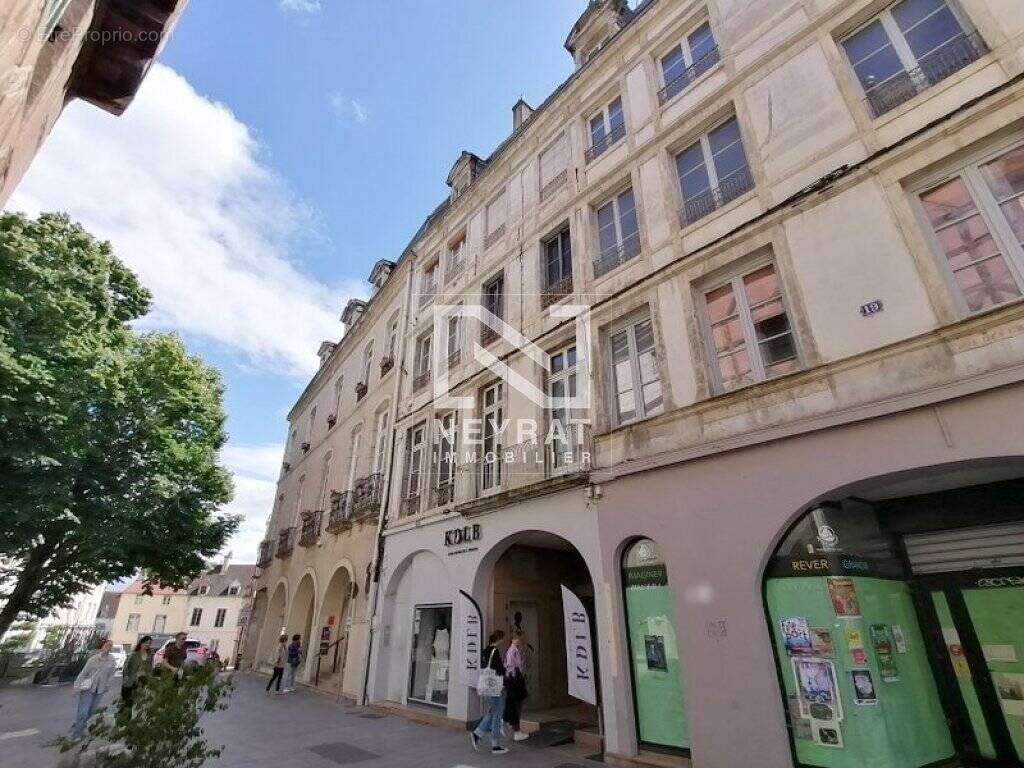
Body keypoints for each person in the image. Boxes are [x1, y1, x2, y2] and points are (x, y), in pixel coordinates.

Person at [470, 630, 508, 755]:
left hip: (486, 685)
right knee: (497, 713)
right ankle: (495, 745)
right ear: (498, 638)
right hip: (494, 685)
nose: (502, 641)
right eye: (502, 638)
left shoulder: (484, 651)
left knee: (493, 711)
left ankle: (477, 733)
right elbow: (499, 668)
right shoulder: (495, 651)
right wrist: (505, 680)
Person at [71, 639, 118, 740]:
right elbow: (83, 673)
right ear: (102, 647)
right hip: (88, 689)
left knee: (91, 712)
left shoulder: (112, 660)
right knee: (83, 712)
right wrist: (76, 687)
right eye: (107, 645)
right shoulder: (93, 659)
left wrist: (107, 685)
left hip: (99, 690)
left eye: (110, 646)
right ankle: (76, 734)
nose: (108, 648)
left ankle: (81, 729)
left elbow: (111, 674)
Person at [503, 632, 529, 742]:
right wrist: (514, 675)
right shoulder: (512, 651)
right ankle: (515, 730)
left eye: (519, 639)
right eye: (516, 639)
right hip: (515, 680)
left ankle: (513, 727)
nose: (518, 641)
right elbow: (509, 665)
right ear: (512, 640)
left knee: (515, 705)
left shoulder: (515, 650)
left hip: (515, 679)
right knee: (516, 705)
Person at [120, 636, 152, 720]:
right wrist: (126, 677)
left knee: (138, 703)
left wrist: (149, 677)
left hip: (142, 683)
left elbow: (149, 668)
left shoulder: (149, 656)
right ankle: (123, 722)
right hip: (130, 682)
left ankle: (133, 722)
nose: (147, 645)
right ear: (141, 643)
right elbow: (125, 667)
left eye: (149, 643)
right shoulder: (134, 654)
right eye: (146, 643)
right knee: (127, 704)